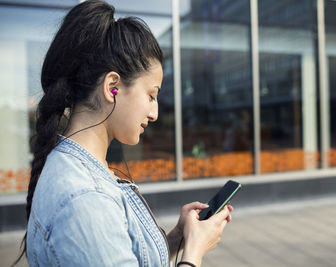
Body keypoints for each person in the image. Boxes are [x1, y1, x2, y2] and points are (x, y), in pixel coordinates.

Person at [15, 1, 233, 266]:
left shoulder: (82, 172)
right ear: (113, 87)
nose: (154, 113)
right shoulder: (85, 201)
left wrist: (180, 237)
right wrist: (194, 253)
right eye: (151, 95)